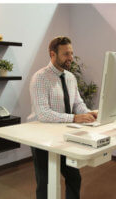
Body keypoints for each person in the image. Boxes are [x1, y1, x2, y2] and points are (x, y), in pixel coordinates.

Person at [27, 36, 97, 199]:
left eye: (71, 53)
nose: (71, 58)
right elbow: (43, 114)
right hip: (41, 137)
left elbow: (78, 104)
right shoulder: (40, 78)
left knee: (74, 177)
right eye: (66, 54)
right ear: (53, 54)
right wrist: (74, 118)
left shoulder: (71, 78)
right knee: (46, 183)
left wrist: (88, 114)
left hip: (64, 135)